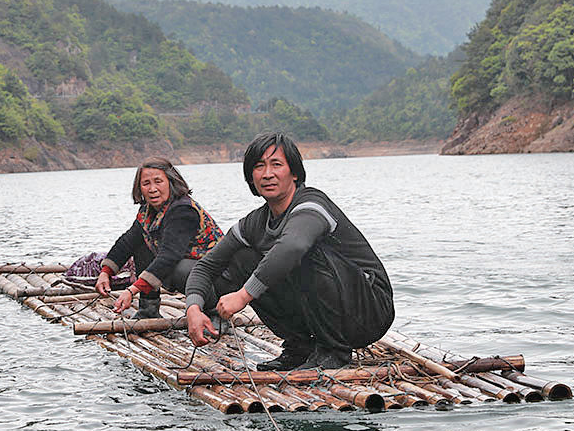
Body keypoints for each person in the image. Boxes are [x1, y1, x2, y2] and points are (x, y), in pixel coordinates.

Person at [184, 132, 394, 370]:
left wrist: (243, 295)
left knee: (300, 252)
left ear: (294, 172)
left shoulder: (312, 204)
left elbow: (293, 246)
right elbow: (206, 266)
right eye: (259, 166)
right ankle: (300, 346)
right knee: (244, 257)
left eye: (276, 165)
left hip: (368, 311)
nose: (267, 174)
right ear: (250, 177)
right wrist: (193, 307)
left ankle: (333, 350)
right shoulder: (255, 222)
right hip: (324, 311)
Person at [95, 158, 223, 319]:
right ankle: (148, 309)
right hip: (192, 272)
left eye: (158, 181)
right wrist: (105, 273)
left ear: (171, 182)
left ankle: (214, 313)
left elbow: (169, 256)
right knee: (141, 245)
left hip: (218, 278)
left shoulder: (183, 210)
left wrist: (131, 290)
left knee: (180, 268)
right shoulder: (147, 211)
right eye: (146, 183)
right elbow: (127, 242)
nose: (152, 189)